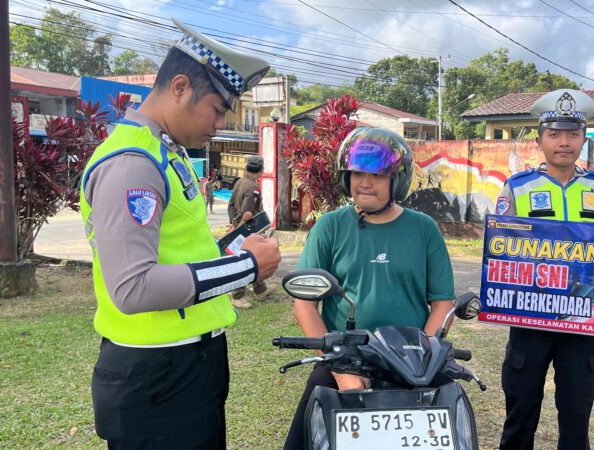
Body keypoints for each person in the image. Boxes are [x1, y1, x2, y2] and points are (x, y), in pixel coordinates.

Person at [79, 18, 281, 449]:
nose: (221, 123)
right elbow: (132, 287)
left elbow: (178, 249)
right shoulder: (132, 162)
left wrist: (234, 244)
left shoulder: (165, 150)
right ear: (180, 88)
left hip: (185, 365)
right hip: (157, 375)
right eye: (218, 109)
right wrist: (246, 267)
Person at [282, 127, 456, 450]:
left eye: (377, 174)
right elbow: (305, 305)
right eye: (358, 172)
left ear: (398, 180)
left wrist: (424, 360)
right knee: (305, 436)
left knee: (450, 426)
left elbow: (443, 303)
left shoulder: (425, 230)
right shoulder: (329, 227)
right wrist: (339, 367)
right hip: (344, 356)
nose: (365, 181)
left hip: (413, 357)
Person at [494, 89, 594, 450]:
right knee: (520, 411)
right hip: (530, 317)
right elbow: (501, 249)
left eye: (572, 134)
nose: (563, 142)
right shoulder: (517, 189)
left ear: (584, 139)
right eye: (554, 134)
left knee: (576, 413)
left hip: (583, 317)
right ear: (540, 140)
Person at [227, 155, 268, 300]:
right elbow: (248, 211)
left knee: (255, 258)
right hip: (249, 228)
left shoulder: (239, 182)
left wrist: (234, 222)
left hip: (240, 225)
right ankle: (237, 296)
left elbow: (231, 205)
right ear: (261, 170)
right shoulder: (253, 187)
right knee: (246, 260)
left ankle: (260, 290)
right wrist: (241, 226)